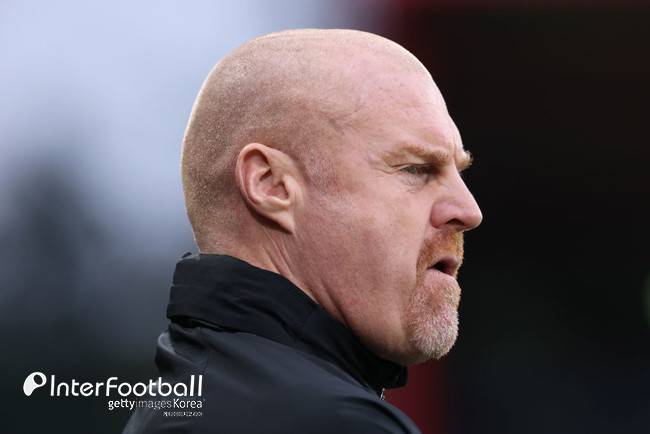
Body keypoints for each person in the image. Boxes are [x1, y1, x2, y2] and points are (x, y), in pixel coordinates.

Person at [122, 28, 482, 434]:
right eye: (416, 169)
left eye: (459, 172)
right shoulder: (333, 423)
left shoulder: (183, 405)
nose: (469, 211)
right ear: (271, 185)